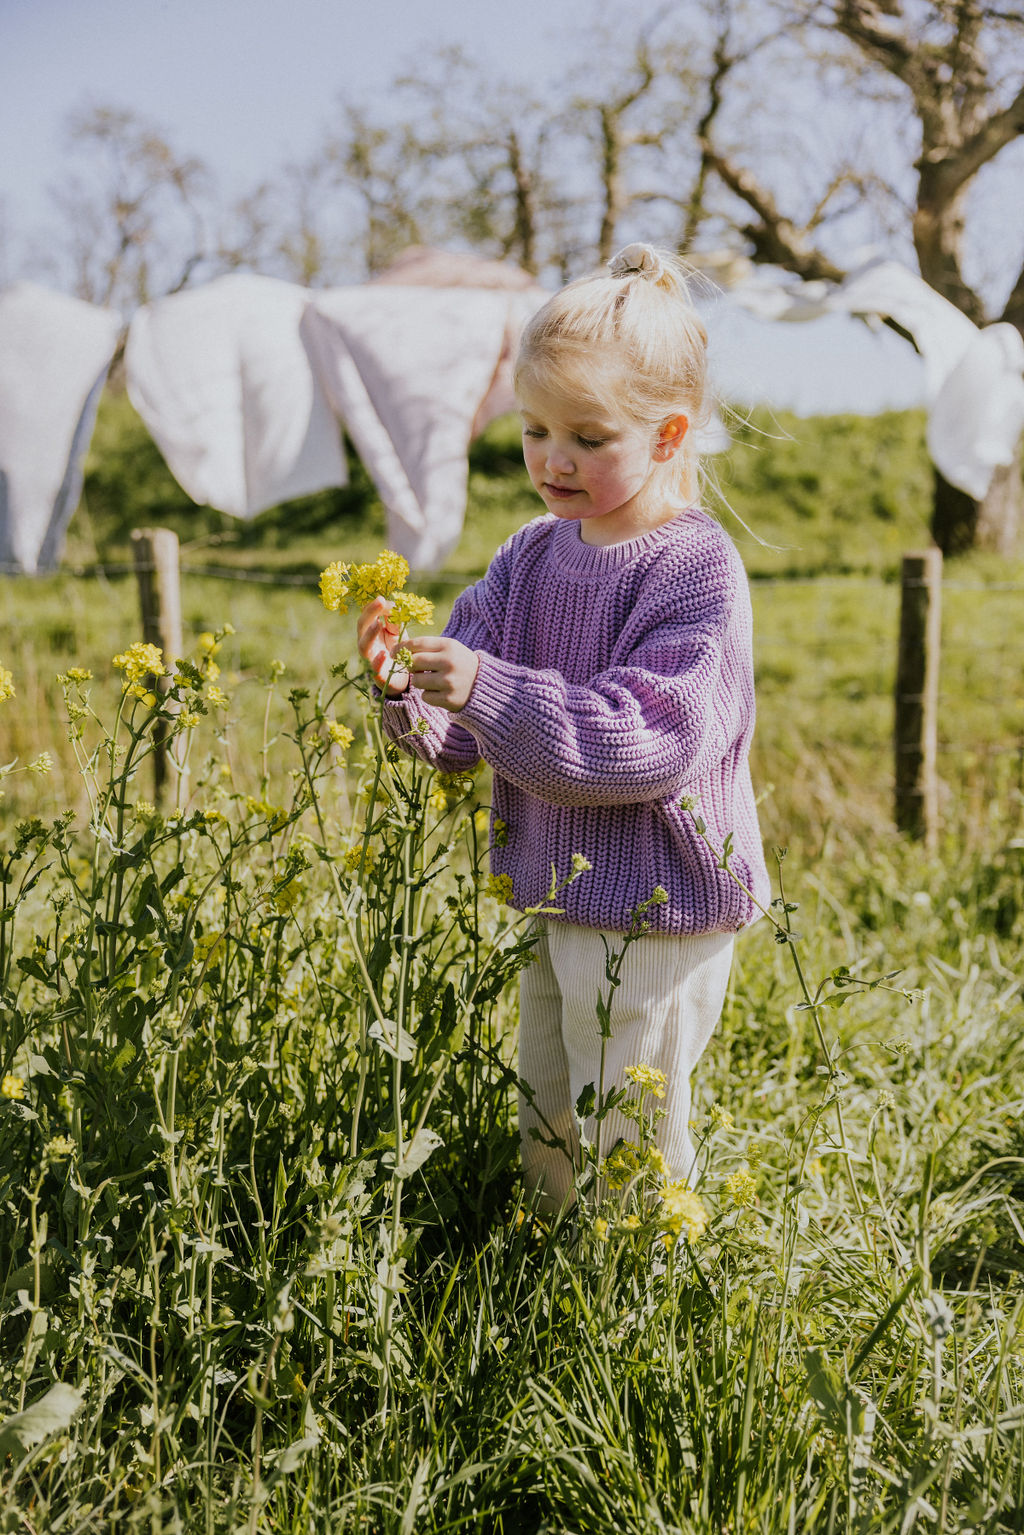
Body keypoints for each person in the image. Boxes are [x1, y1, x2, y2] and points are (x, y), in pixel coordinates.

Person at [356, 242, 770, 1212]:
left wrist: (486, 688)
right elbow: (464, 735)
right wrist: (408, 689)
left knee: (630, 1121)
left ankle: (636, 1277)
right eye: (534, 429)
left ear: (668, 436)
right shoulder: (528, 556)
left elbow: (649, 741)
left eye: (587, 435)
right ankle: (548, 1256)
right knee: (546, 1097)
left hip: (660, 907)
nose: (553, 458)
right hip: (556, 890)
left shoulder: (692, 568)